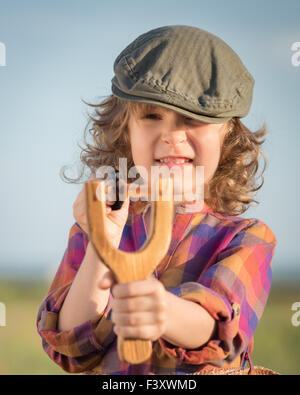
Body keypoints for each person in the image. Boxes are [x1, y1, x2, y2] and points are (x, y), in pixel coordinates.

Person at [36, 25, 277, 375]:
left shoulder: (247, 237)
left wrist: (164, 312)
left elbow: (220, 334)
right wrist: (101, 246)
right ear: (124, 129)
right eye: (151, 116)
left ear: (228, 134)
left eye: (193, 119)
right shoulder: (100, 227)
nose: (172, 136)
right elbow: (73, 347)